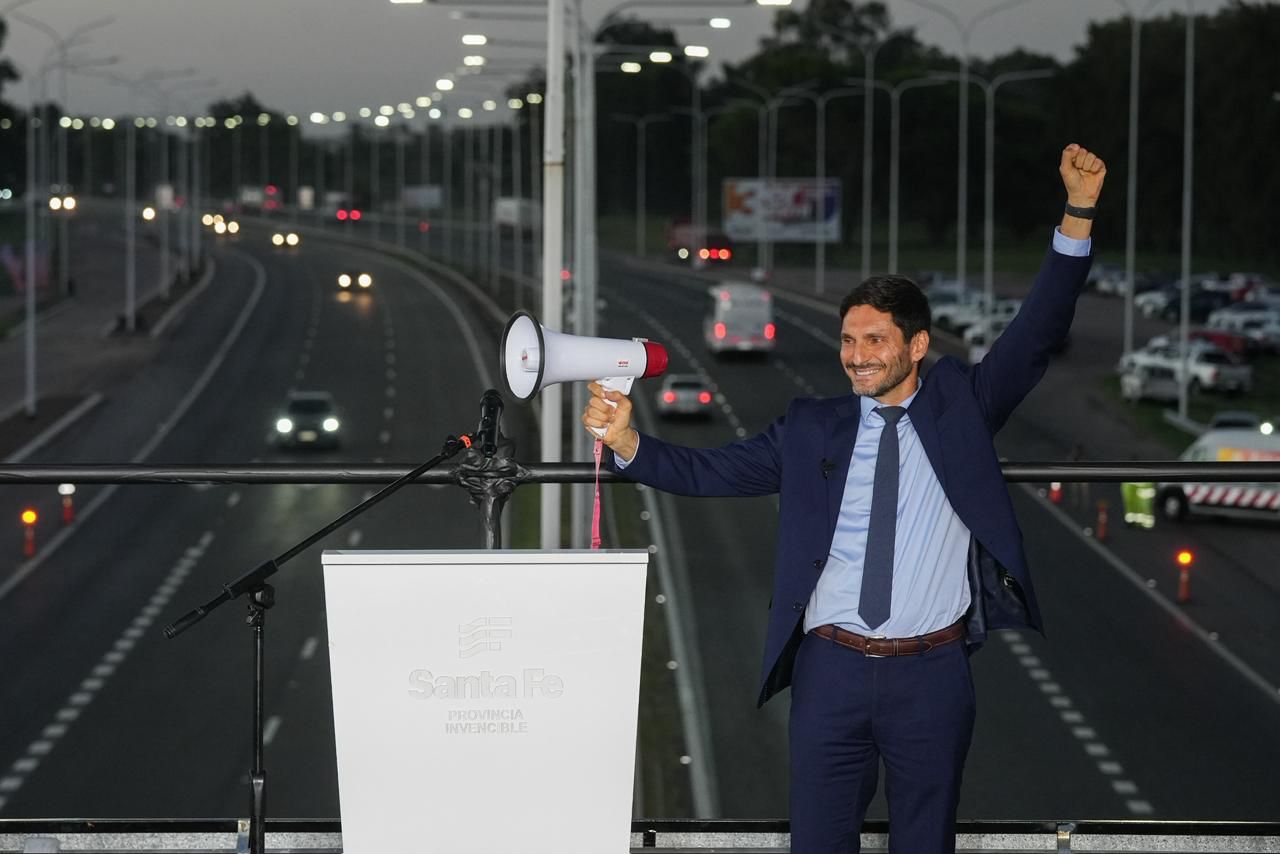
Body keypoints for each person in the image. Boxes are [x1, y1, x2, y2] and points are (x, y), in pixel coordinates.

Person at [582, 144, 1107, 853]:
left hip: (933, 673)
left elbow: (1038, 333)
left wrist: (1077, 213)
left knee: (924, 843)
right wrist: (626, 442)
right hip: (830, 671)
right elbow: (715, 471)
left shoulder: (963, 406)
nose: (856, 354)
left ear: (918, 345)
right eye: (848, 339)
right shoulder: (810, 429)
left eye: (875, 340)